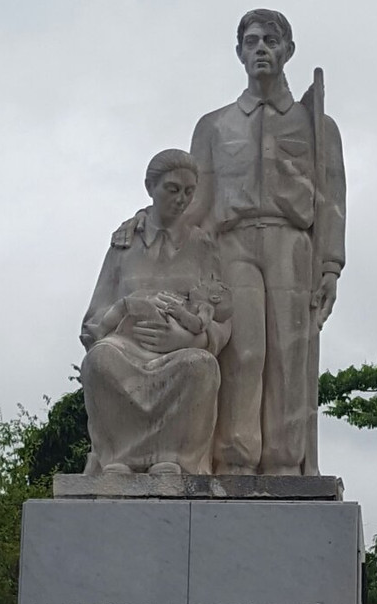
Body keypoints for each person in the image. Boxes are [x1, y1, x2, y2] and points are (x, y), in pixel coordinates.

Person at [115, 9, 346, 475]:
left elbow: (332, 201)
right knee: (243, 351)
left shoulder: (316, 125)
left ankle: (284, 461)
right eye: (252, 41)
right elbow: (191, 199)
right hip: (231, 243)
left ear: (288, 51)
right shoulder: (214, 126)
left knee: (289, 351)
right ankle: (236, 458)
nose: (261, 48)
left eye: (271, 41)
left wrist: (330, 266)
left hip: (291, 243)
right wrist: (145, 219)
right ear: (239, 51)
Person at [80, 149, 231, 475]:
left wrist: (191, 338)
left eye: (189, 192)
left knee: (201, 366)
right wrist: (123, 311)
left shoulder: (202, 246)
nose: (181, 199)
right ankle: (118, 458)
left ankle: (175, 458)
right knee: (98, 360)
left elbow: (222, 317)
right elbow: (93, 320)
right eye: (172, 189)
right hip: (125, 348)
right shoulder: (124, 243)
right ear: (151, 187)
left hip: (181, 352)